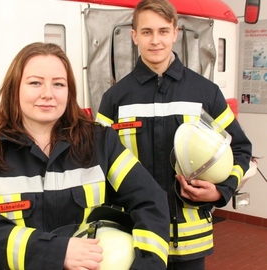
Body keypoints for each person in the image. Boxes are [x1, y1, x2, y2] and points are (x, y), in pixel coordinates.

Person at [0, 42, 170, 270]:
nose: (47, 94)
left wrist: (148, 265)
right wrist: (57, 252)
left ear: (69, 91)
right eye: (35, 83)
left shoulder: (100, 142)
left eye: (58, 84)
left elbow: (150, 199)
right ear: (15, 88)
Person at [95, 1, 252, 269]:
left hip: (191, 243)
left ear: (175, 33)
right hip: (135, 240)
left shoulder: (205, 93)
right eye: (146, 32)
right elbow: (96, 166)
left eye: (163, 31)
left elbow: (240, 149)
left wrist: (220, 191)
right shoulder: (115, 99)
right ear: (134, 36)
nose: (155, 40)